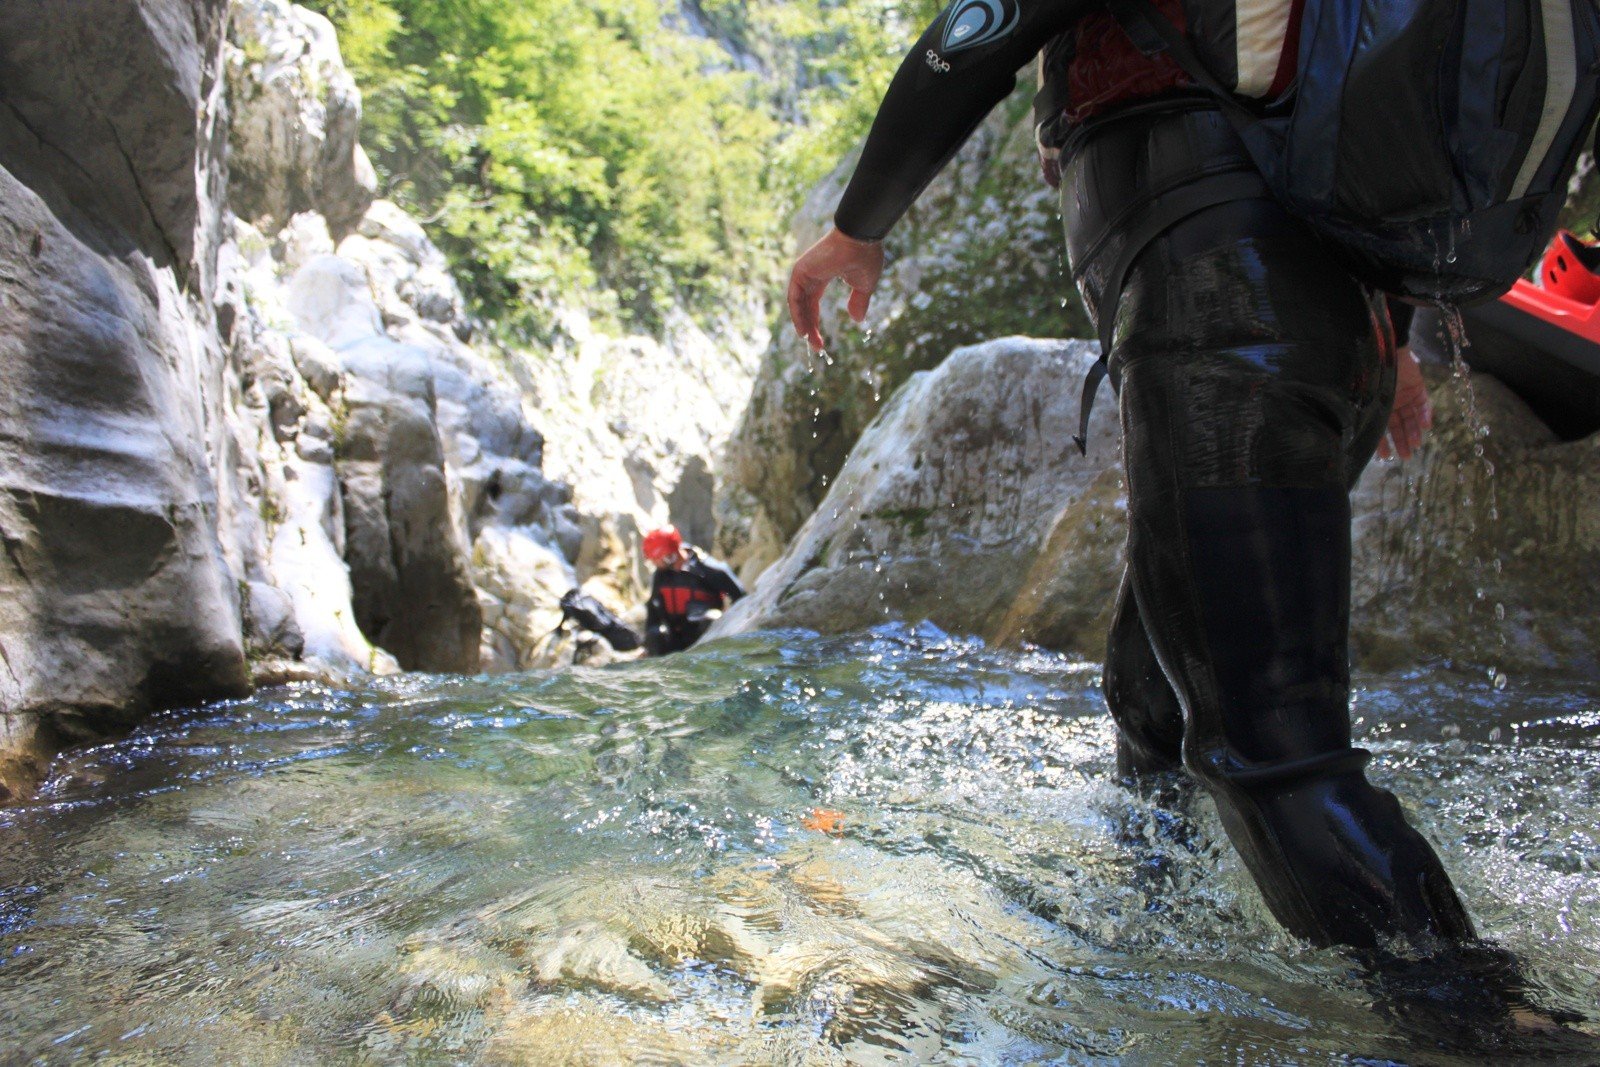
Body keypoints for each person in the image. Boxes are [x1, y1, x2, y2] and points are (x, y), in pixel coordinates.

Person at [788, 0, 1484, 961]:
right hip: (1321, 321)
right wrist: (1391, 341)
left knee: (1273, 751)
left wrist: (857, 227)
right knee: (1149, 696)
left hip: (1223, 301)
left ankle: (1489, 1022)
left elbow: (980, 33)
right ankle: (1156, 938)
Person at [641, 526, 746, 656]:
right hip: (675, 639)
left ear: (670, 556)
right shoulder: (661, 575)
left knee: (709, 617)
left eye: (656, 559)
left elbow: (742, 600)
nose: (654, 563)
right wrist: (648, 645)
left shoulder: (709, 570)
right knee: (654, 635)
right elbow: (653, 611)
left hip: (706, 636)